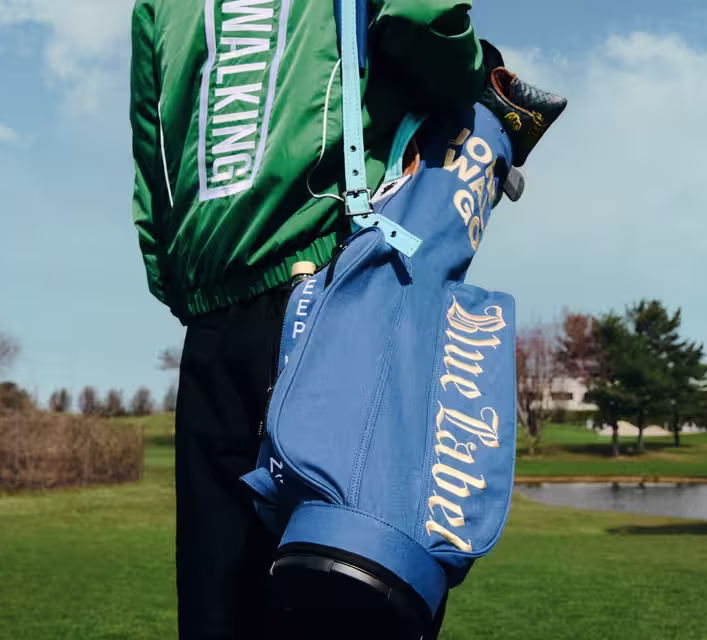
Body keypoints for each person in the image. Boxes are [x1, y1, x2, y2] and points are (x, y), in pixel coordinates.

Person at [129, 2, 496, 638]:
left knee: (219, 611)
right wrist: (477, 71)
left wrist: (193, 291)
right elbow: (425, 18)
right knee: (354, 598)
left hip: (212, 326)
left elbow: (151, 153)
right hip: (337, 296)